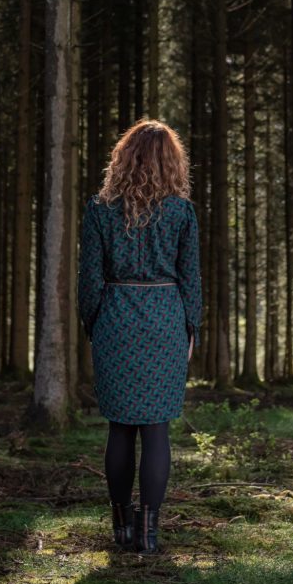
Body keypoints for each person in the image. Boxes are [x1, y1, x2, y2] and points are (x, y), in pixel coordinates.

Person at [77, 118, 203, 555]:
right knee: (156, 430)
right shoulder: (182, 212)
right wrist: (192, 326)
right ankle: (149, 534)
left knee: (119, 429)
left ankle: (121, 528)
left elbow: (89, 279)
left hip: (115, 320)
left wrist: (93, 323)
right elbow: (191, 278)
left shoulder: (99, 210)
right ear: (172, 163)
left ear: (123, 159)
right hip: (166, 319)